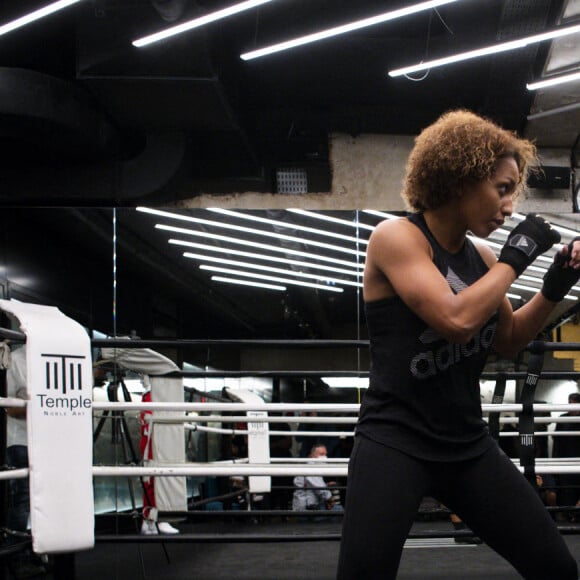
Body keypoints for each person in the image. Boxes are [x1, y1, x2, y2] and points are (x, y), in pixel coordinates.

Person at [336, 109, 580, 579]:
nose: (509, 207)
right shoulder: (397, 238)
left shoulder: (483, 256)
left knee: (556, 569)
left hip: (467, 445)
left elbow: (507, 339)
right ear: (461, 177)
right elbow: (456, 319)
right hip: (396, 442)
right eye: (502, 188)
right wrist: (517, 259)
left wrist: (556, 285)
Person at [4, 345, 48, 578]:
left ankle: (33, 550)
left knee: (41, 498)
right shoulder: (15, 360)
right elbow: (9, 407)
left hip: (46, 441)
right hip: (20, 440)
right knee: (22, 498)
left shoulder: (48, 358)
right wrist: (40, 403)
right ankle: (17, 556)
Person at [139, 385, 180, 535]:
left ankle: (157, 518)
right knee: (151, 478)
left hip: (159, 439)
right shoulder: (150, 396)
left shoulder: (155, 395)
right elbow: (149, 422)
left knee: (160, 477)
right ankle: (151, 519)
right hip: (152, 440)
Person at [292, 444, 342, 519]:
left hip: (309, 507)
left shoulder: (311, 467)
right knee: (339, 510)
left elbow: (315, 485)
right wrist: (330, 500)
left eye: (325, 454)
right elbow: (322, 491)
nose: (325, 457)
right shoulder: (311, 468)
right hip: (307, 510)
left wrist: (326, 485)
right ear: (312, 455)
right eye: (321, 454)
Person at [552, 392, 580, 521]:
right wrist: (555, 462)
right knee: (566, 490)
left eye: (574, 403)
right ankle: (569, 514)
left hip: (577, 460)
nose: (571, 406)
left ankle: (576, 515)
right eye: (570, 403)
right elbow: (556, 442)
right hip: (564, 460)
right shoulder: (562, 419)